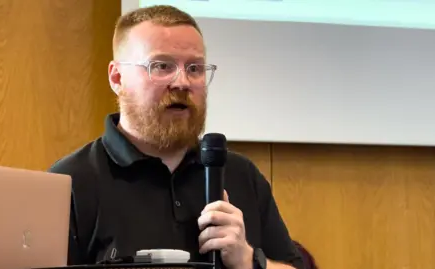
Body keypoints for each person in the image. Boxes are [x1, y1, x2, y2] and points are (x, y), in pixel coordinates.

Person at [49, 5, 304, 269]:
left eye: (194, 68)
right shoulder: (70, 183)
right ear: (117, 77)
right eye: (162, 66)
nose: (182, 82)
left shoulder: (240, 175)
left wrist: (247, 261)